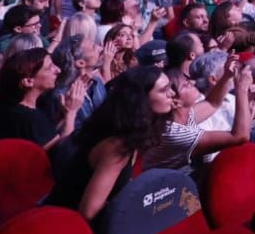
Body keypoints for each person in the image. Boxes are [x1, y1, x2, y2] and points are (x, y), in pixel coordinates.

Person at [48, 66, 174, 221]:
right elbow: (88, 211)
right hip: (63, 223)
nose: (172, 94)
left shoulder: (129, 131)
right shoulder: (116, 145)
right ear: (141, 100)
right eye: (164, 90)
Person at [0, 46, 81, 149]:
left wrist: (63, 114)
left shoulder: (5, 105)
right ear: (28, 81)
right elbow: (62, 155)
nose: (58, 70)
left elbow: (45, 134)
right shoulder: (30, 118)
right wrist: (71, 113)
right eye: (49, 68)